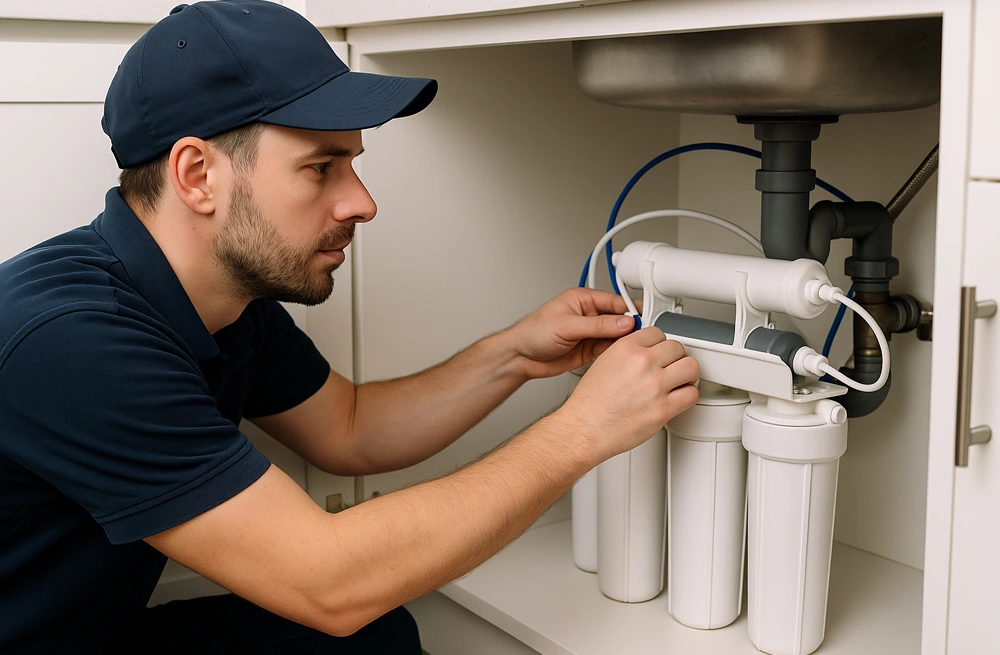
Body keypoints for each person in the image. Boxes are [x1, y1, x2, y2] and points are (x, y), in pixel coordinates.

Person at [0, 1, 699, 653]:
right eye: (321, 167)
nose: (361, 202)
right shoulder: (75, 340)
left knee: (376, 639)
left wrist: (513, 354)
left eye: (352, 164)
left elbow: (349, 426)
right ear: (197, 174)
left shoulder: (222, 297)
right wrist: (583, 432)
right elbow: (329, 582)